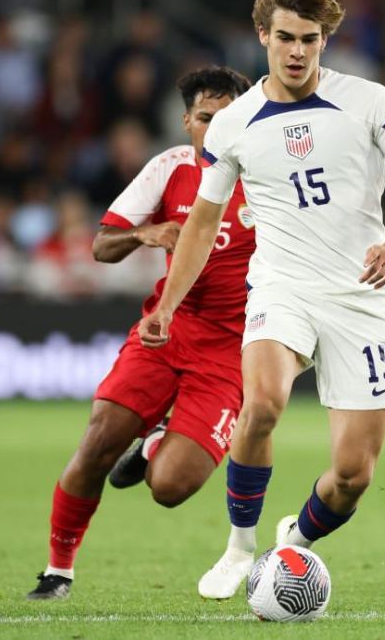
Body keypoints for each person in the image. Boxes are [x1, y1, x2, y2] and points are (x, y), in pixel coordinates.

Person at [136, 0, 385, 599]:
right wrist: (167, 304)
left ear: (325, 39)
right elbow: (201, 224)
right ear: (262, 36)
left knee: (353, 476)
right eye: (285, 38)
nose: (297, 51)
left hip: (360, 297)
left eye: (309, 39)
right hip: (282, 288)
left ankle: (293, 543)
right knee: (262, 405)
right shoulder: (233, 124)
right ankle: (239, 547)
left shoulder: (369, 101)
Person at [26, 66, 254, 601]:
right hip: (164, 331)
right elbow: (101, 246)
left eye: (227, 118)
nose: (216, 128)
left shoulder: (272, 181)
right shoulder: (169, 168)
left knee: (170, 488)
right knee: (99, 442)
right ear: (187, 122)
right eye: (205, 117)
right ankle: (58, 571)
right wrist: (145, 233)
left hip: (230, 352)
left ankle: (154, 445)